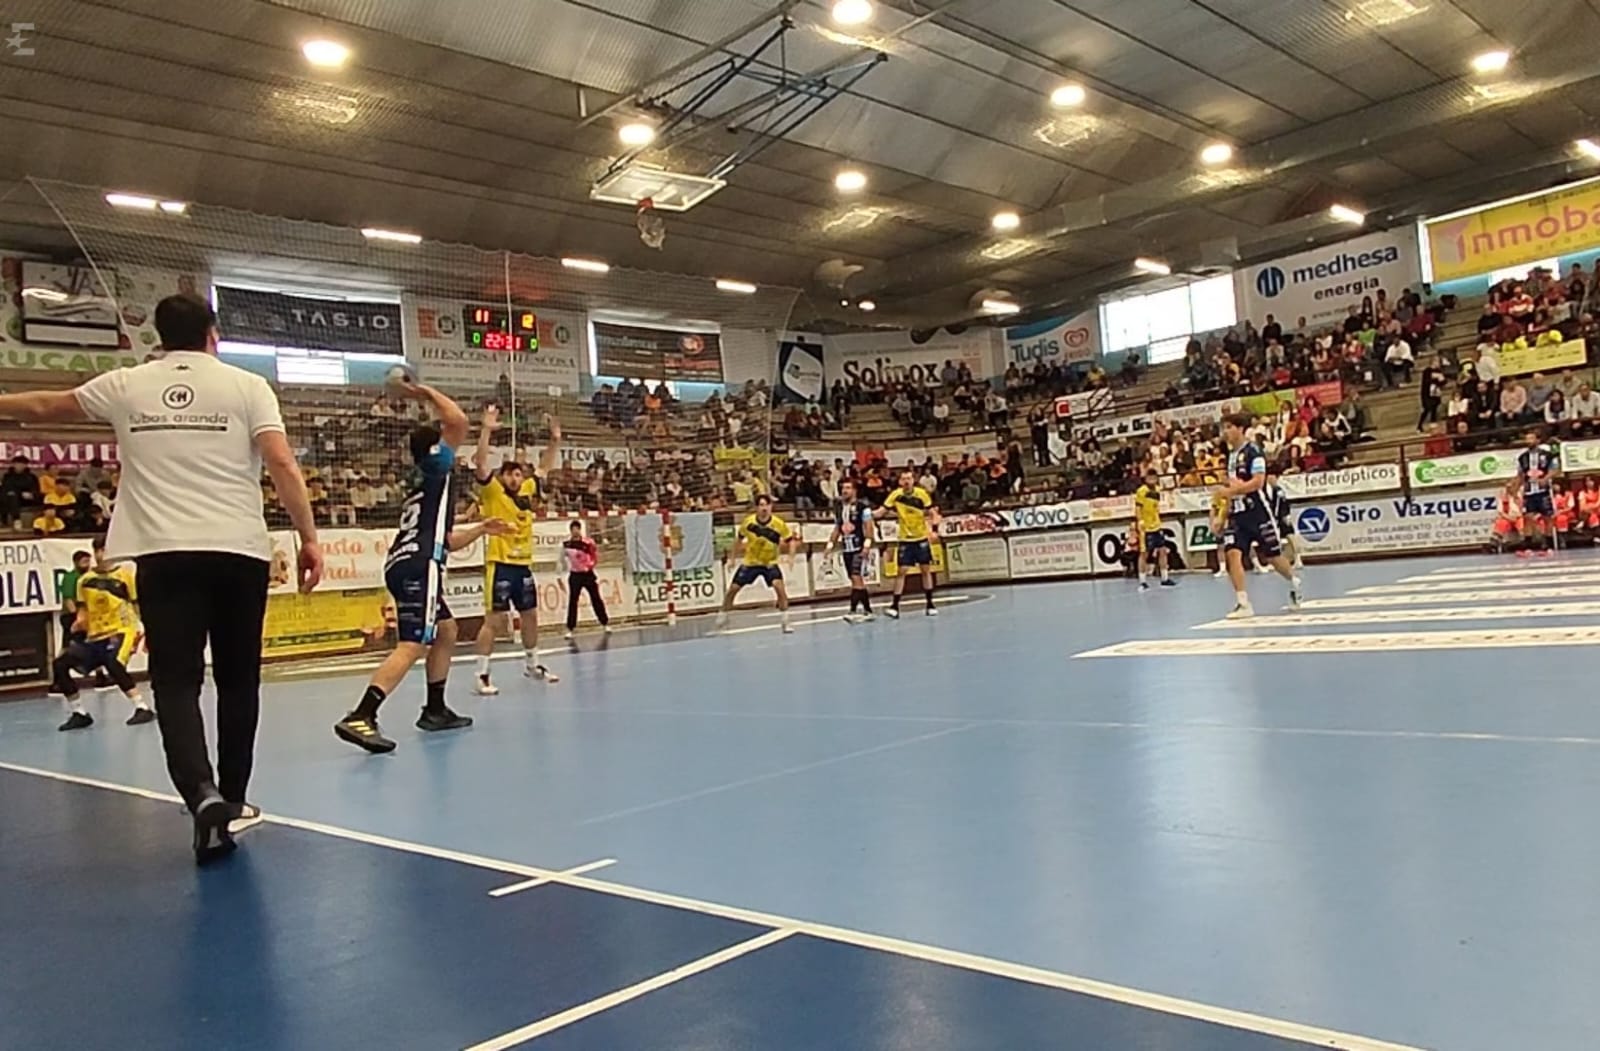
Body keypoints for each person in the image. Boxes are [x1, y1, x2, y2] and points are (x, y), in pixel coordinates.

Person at [0, 293, 322, 864]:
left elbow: (49, 405)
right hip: (237, 552)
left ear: (157, 336)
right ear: (213, 333)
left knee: (176, 684)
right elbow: (280, 462)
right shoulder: (247, 386)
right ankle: (235, 799)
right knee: (239, 681)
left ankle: (200, 794)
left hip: (163, 556)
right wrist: (309, 538)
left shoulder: (127, 384)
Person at [334, 379, 512, 755]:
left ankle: (434, 709)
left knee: (445, 630)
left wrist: (481, 527)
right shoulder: (435, 466)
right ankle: (362, 714)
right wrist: (425, 392)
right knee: (413, 643)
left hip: (404, 562)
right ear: (436, 449)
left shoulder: (427, 484)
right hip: (419, 566)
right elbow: (458, 421)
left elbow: (446, 540)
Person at [470, 405, 559, 695]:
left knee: (530, 615)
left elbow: (545, 466)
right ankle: (482, 674)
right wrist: (486, 430)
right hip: (500, 564)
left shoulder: (528, 490)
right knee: (494, 622)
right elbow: (481, 464)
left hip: (523, 566)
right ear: (502, 477)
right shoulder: (493, 491)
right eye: (508, 474)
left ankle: (532, 664)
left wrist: (555, 440)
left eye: (517, 474)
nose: (513, 478)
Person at [53, 538, 153, 731]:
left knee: (113, 663)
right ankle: (79, 712)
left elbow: (137, 605)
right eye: (98, 551)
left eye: (105, 550)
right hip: (96, 635)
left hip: (123, 629)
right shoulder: (84, 581)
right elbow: (83, 610)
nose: (101, 555)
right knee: (60, 664)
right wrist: (79, 623)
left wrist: (147, 629)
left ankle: (142, 707)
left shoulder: (125, 576)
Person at [1216, 412, 1302, 619]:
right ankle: (1243, 603)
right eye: (1224, 428)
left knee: (1272, 557)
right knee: (1232, 554)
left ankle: (1293, 581)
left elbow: (1258, 482)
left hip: (1258, 512)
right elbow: (1232, 486)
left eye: (1229, 427)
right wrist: (1222, 513)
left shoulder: (1254, 451)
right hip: (1238, 514)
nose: (1225, 432)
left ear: (1240, 428)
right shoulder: (1231, 456)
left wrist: (1232, 491)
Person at [716, 495, 798, 633]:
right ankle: (723, 614)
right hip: (751, 562)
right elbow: (738, 540)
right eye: (761, 505)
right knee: (733, 590)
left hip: (769, 563)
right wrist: (732, 558)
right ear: (756, 508)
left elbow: (791, 541)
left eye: (767, 505)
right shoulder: (748, 523)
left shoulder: (778, 524)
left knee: (780, 588)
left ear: (771, 507)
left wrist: (791, 557)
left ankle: (785, 622)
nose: (764, 508)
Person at [877, 469, 939, 618]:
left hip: (921, 538)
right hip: (905, 539)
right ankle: (894, 606)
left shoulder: (922, 495)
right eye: (903, 479)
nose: (906, 481)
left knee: (925, 570)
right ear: (900, 482)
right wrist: (866, 515)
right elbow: (881, 511)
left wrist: (934, 530)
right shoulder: (896, 495)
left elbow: (933, 513)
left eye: (909, 479)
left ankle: (930, 604)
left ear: (913, 480)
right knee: (901, 572)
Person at [826, 478, 877, 622]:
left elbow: (869, 528)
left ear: (854, 490)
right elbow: (837, 528)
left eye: (848, 488)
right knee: (856, 580)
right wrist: (830, 545)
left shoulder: (863, 507)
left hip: (859, 547)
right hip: (846, 548)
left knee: (856, 578)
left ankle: (853, 610)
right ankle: (867, 610)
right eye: (843, 488)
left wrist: (867, 545)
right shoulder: (839, 508)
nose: (844, 491)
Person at [1515, 428, 1560, 558]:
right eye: (1527, 439)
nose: (1528, 441)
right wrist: (1517, 489)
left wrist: (1545, 479)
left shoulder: (1547, 455)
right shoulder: (1522, 457)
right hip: (1529, 491)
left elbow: (1555, 469)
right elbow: (1520, 475)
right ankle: (1527, 547)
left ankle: (1548, 546)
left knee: (1547, 517)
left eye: (1531, 438)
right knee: (1527, 517)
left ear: (1538, 440)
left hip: (1543, 490)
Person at [562, 520, 610, 639]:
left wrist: (590, 566)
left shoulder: (589, 543)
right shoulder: (567, 545)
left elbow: (594, 556)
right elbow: (561, 560)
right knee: (573, 601)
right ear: (571, 531)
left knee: (596, 598)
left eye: (577, 529)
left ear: (580, 530)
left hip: (588, 574)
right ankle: (570, 628)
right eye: (573, 529)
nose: (575, 531)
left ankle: (605, 623)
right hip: (575, 575)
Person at [1133, 470, 1175, 590]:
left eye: (1154, 477)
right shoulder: (1141, 491)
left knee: (1162, 550)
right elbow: (1138, 507)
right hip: (1145, 527)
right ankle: (1142, 581)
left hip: (1156, 525)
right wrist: (1140, 520)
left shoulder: (1157, 489)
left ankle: (1165, 578)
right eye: (1149, 477)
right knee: (1144, 553)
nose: (1152, 479)